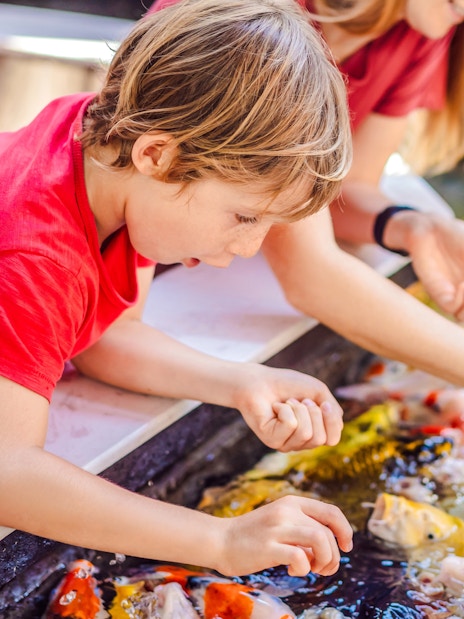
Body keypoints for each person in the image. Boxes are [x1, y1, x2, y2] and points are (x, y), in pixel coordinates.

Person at [0, 0, 355, 579]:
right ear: (158, 154)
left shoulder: (114, 169)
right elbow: (7, 473)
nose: (248, 248)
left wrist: (242, 382)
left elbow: (102, 337)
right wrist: (221, 540)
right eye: (244, 218)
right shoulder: (34, 255)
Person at [149, 0, 464, 321]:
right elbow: (310, 272)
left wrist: (414, 227)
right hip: (145, 255)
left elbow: (346, 186)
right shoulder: (256, 21)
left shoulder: (423, 29)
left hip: (209, 278)